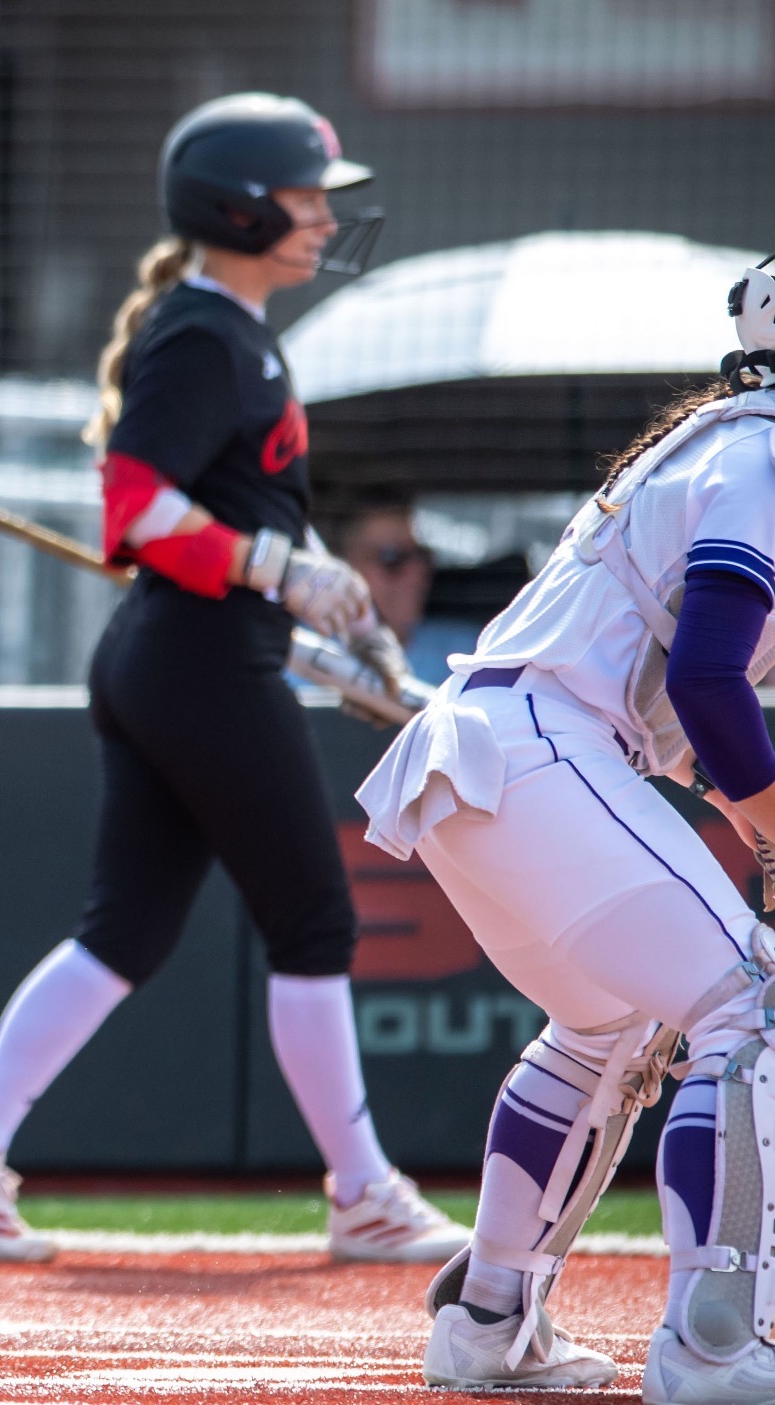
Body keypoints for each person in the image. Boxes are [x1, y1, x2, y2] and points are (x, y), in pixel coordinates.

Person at [0, 94, 464, 1266]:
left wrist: (305, 581)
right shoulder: (205, 333)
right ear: (239, 207)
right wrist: (277, 568)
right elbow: (133, 512)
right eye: (305, 198)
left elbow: (194, 511)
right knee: (310, 917)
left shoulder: (230, 332)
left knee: (124, 934)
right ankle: (362, 1190)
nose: (322, 218)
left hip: (190, 654)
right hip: (198, 659)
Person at [354, 258, 775, 1396]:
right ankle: (717, 1342)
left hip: (495, 761)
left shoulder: (725, 442)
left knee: (608, 1025)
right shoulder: (764, 453)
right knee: (751, 1000)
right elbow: (705, 681)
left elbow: (685, 703)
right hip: (536, 753)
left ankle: (489, 1318)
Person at [322, 497, 470, 684]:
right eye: (392, 558)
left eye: (421, 556)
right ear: (343, 568)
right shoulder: (301, 655)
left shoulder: (466, 656)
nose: (417, 573)